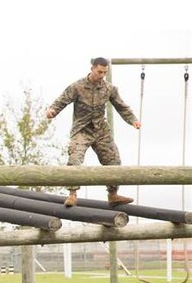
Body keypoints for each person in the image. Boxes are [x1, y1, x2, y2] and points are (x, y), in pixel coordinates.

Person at [46, 57, 141, 207]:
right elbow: (61, 100)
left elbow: (121, 107)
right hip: (82, 129)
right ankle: (72, 194)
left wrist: (133, 120)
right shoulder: (77, 86)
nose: (102, 75)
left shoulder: (109, 88)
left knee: (113, 161)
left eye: (104, 72)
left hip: (101, 130)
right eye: (99, 72)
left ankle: (113, 194)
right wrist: (52, 111)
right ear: (92, 68)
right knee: (75, 158)